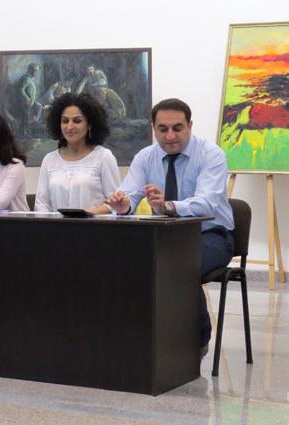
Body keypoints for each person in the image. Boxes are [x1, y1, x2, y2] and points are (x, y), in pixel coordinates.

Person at [103, 98, 234, 356]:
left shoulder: (211, 155)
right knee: (124, 264)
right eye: (163, 129)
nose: (170, 136)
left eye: (177, 128)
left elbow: (207, 204)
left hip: (211, 234)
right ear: (154, 129)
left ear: (190, 126)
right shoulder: (145, 156)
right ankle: (137, 339)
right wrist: (123, 205)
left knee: (178, 266)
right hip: (164, 237)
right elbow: (128, 195)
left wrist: (169, 206)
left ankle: (195, 342)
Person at [35, 93, 120, 212]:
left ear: (89, 124)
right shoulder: (49, 160)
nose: (69, 127)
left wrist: (87, 214)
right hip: (56, 224)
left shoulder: (104, 157)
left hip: (94, 223)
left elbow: (115, 204)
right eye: (65, 121)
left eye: (77, 121)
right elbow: (41, 204)